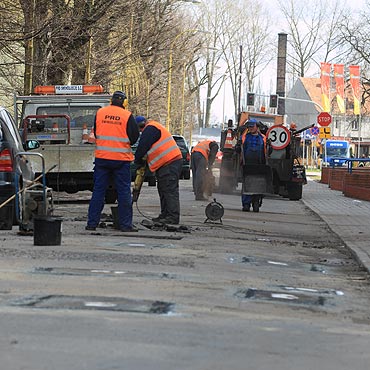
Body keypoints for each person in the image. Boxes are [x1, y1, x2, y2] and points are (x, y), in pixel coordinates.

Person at [86, 91, 140, 232]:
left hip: (102, 158)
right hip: (121, 160)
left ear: (111, 100)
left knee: (98, 191)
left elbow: (97, 133)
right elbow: (134, 137)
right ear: (124, 103)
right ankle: (125, 225)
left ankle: (92, 224)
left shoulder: (100, 113)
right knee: (123, 193)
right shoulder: (127, 116)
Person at [134, 116, 182, 225]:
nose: (140, 131)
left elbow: (142, 147)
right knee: (163, 189)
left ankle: (172, 217)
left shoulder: (150, 129)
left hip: (170, 162)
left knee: (169, 190)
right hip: (167, 163)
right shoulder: (153, 127)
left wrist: (137, 160)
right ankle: (165, 214)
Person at [240, 119, 266, 212]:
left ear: (257, 127)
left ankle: (256, 202)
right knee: (247, 184)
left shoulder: (263, 138)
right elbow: (241, 148)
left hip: (259, 165)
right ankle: (246, 204)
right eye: (249, 127)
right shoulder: (245, 137)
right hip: (247, 164)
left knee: (258, 185)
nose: (250, 128)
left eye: (252, 126)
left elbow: (266, 151)